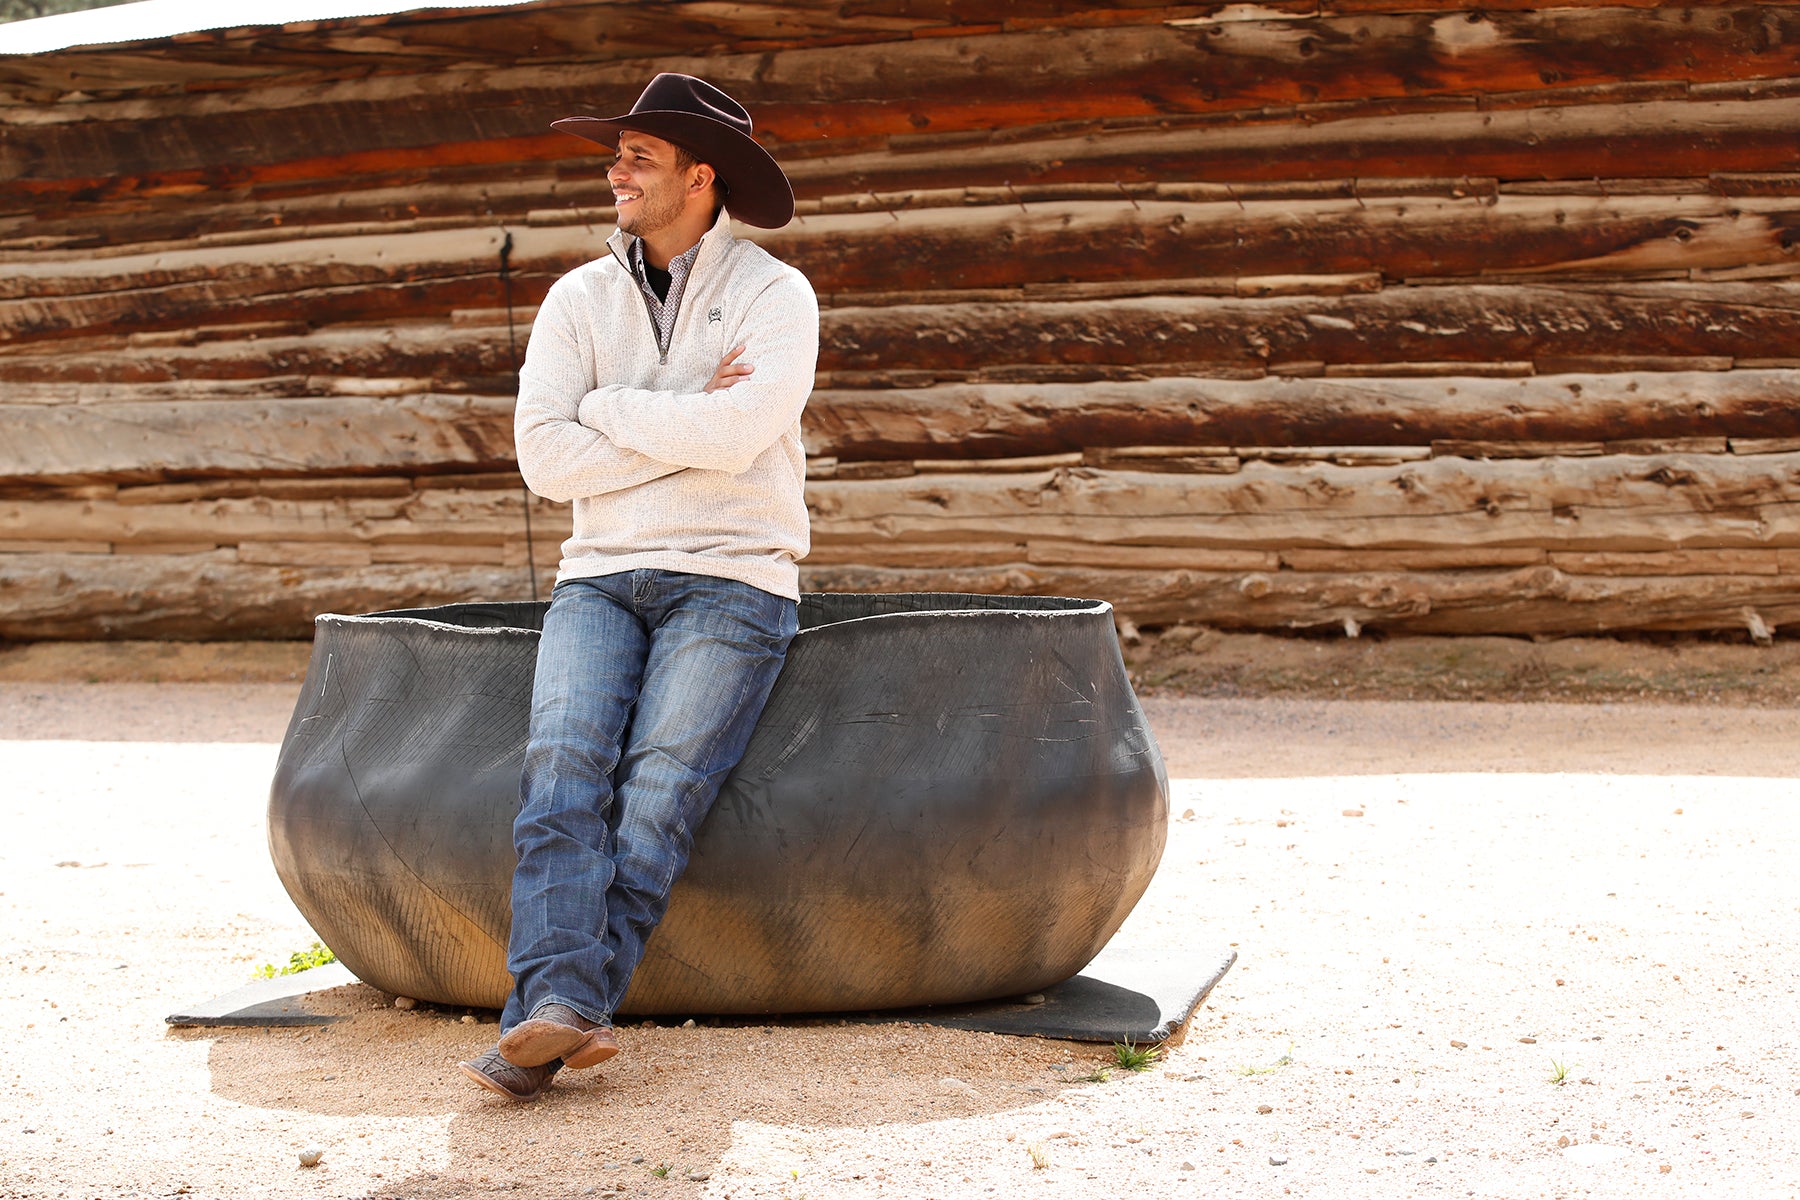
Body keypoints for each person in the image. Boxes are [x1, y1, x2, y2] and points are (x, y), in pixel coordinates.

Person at [459, 73, 818, 1101]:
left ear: (700, 177)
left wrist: (607, 411)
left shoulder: (773, 295)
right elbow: (546, 461)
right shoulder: (577, 299)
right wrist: (674, 422)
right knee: (562, 774)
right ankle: (560, 1011)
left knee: (658, 790)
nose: (615, 172)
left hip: (735, 577)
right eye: (616, 155)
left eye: (638, 158)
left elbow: (744, 433)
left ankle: (549, 1015)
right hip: (601, 575)